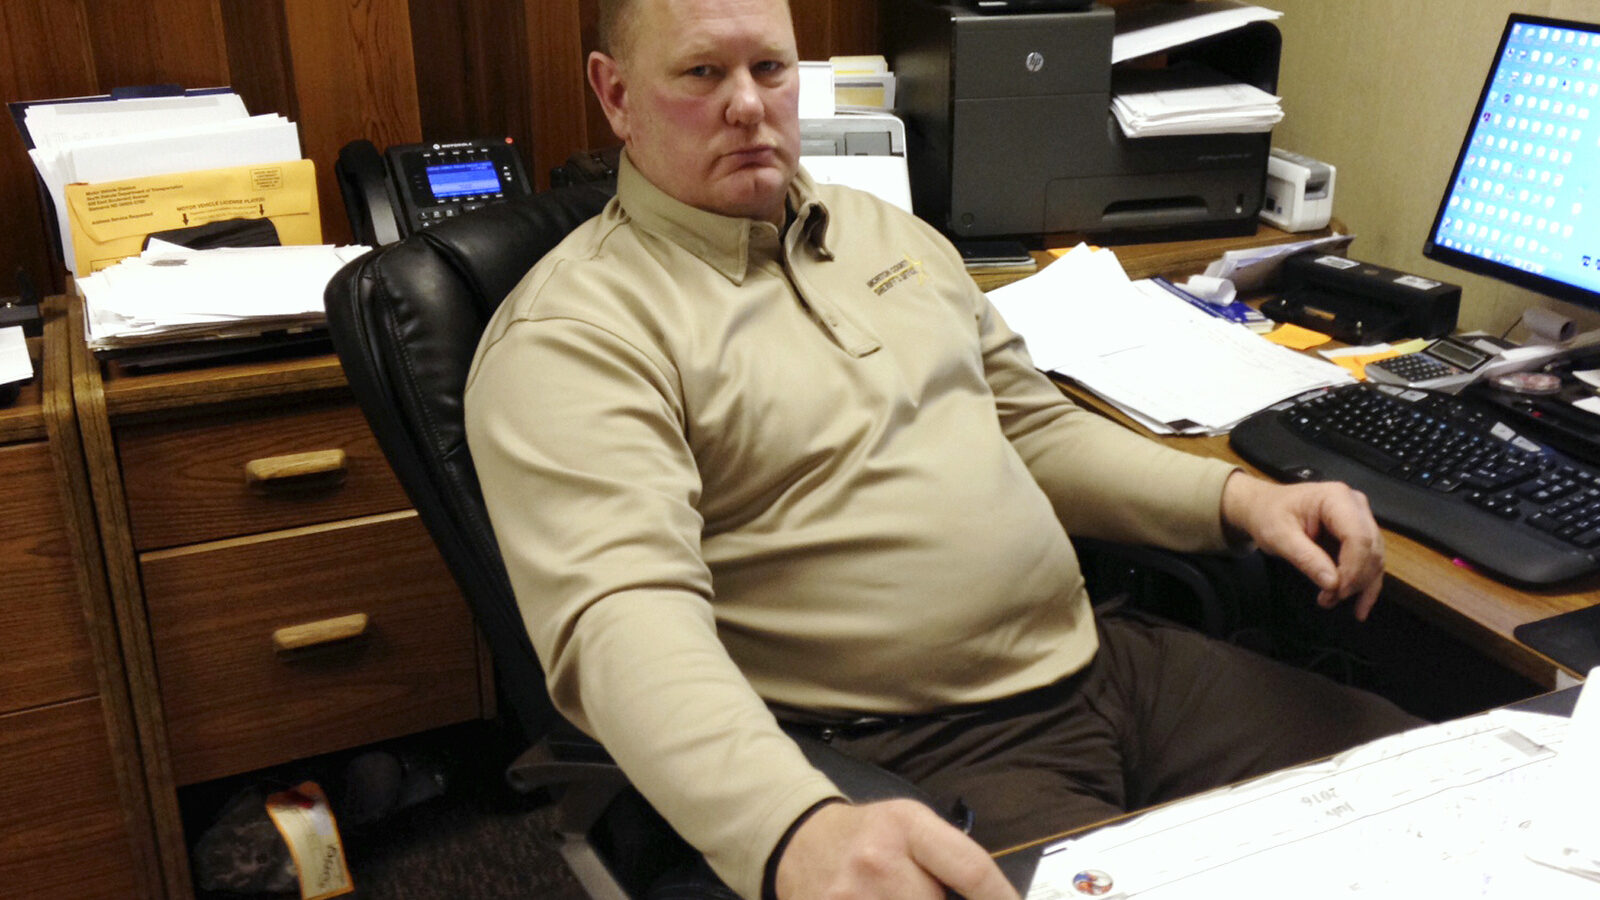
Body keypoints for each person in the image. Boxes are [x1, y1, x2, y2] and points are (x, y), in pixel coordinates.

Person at [463, 1, 1419, 898]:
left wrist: (1239, 503)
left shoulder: (886, 233)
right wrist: (793, 828)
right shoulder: (574, 333)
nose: (748, 105)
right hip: (909, 751)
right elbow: (623, 623)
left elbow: (1034, 428)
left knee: (1449, 796)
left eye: (769, 67)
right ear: (616, 95)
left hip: (1106, 664)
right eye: (702, 72)